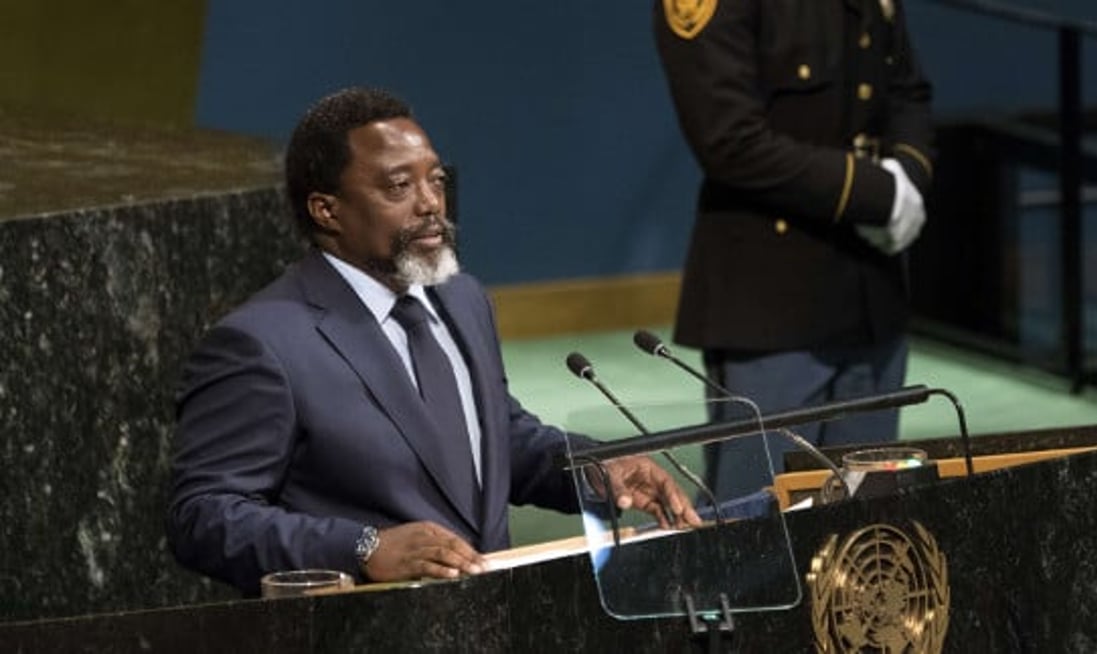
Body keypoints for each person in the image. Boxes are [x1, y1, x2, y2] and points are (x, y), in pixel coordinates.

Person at [166, 87, 700, 595]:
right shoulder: (262, 342)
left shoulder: (462, 299)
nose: (430, 205)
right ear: (326, 210)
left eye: (436, 181)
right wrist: (363, 548)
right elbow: (204, 516)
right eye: (399, 187)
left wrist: (591, 467)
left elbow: (495, 441)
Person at [653, 0, 935, 498]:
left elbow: (908, 92)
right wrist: (876, 195)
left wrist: (906, 182)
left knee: (867, 526)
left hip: (872, 292)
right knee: (755, 530)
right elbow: (730, 141)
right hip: (773, 303)